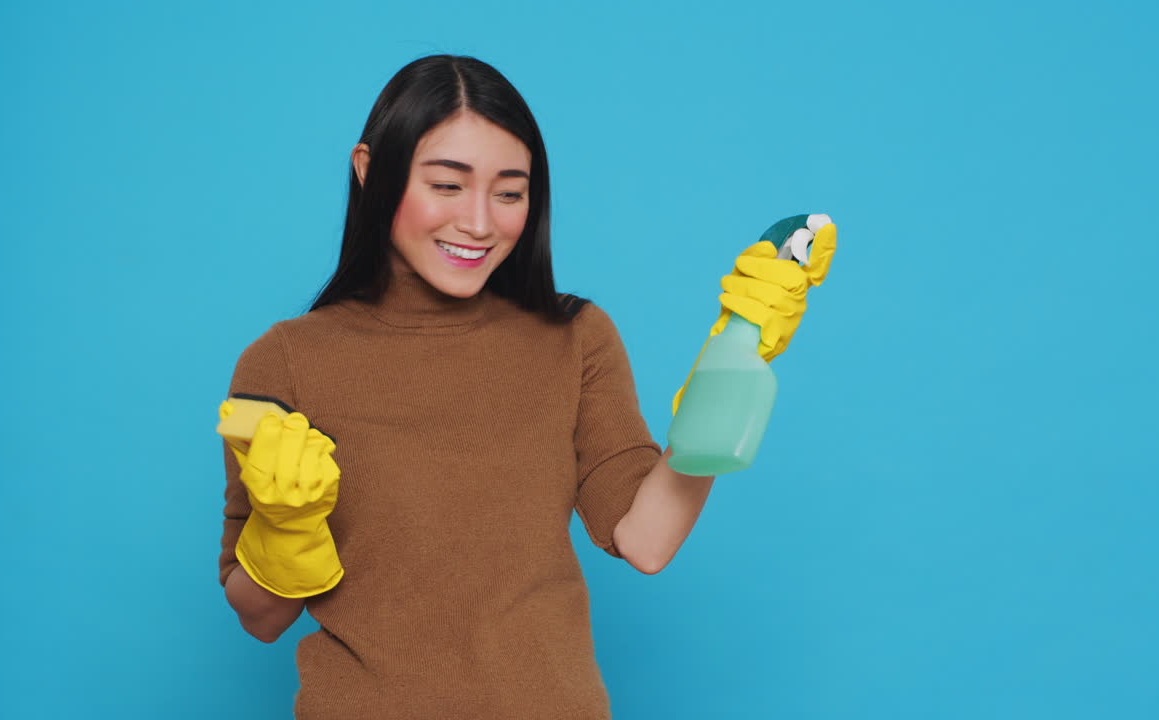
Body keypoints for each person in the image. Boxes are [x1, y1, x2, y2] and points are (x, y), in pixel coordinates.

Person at [217, 54, 835, 719]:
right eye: (448, 186)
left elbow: (645, 542)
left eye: (509, 192)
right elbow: (261, 617)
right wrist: (286, 531)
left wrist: (733, 357)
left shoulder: (575, 338)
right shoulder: (284, 361)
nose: (480, 223)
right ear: (371, 172)